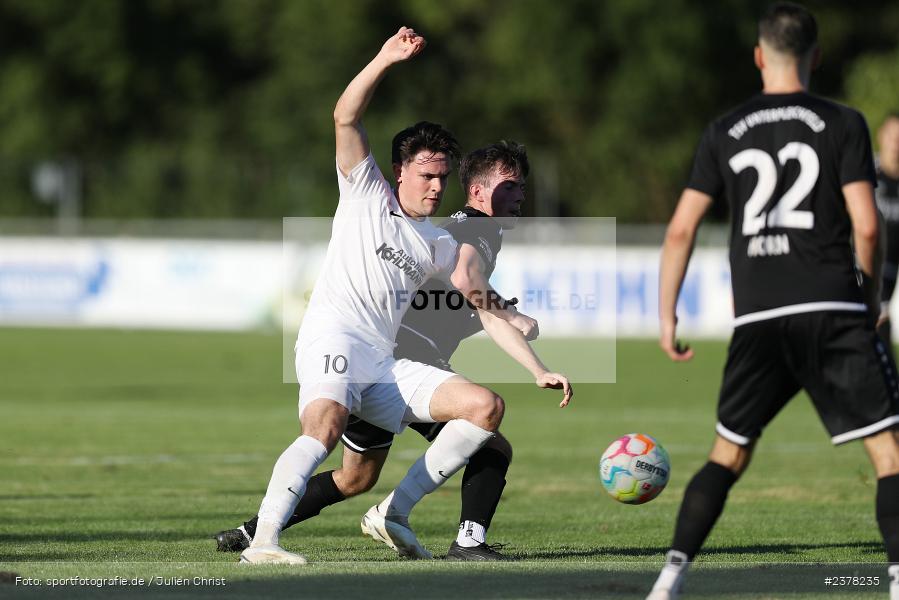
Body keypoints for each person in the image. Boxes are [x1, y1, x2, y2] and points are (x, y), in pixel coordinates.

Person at [239, 27, 553, 565]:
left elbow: (476, 297)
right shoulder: (365, 195)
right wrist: (385, 58)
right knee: (325, 427)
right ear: (399, 172)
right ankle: (263, 540)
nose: (435, 186)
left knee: (484, 409)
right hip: (334, 336)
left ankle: (393, 514)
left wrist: (529, 352)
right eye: (426, 175)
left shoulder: (437, 243)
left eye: (442, 178)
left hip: (384, 362)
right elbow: (344, 116)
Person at [646, 4, 899, 599]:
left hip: (758, 316)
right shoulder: (843, 122)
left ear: (759, 56)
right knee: (888, 451)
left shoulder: (724, 130)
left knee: (728, 454)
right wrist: (868, 297)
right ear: (815, 56)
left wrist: (667, 314)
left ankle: (668, 581)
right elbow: (866, 225)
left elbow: (680, 230)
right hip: (833, 308)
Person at [876, 113, 899, 358]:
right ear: (881, 136)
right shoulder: (865, 175)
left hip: (890, 278)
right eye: (893, 137)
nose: (896, 144)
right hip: (859, 275)